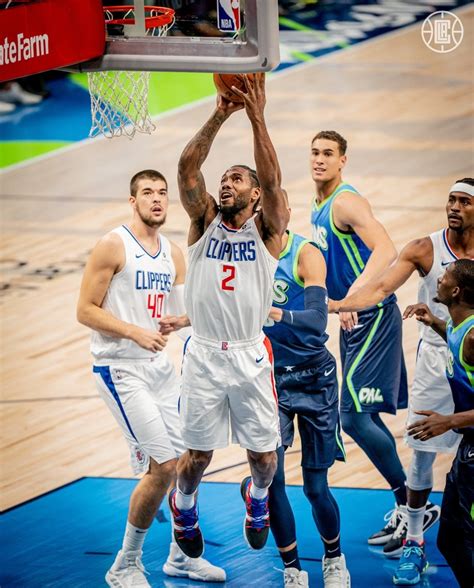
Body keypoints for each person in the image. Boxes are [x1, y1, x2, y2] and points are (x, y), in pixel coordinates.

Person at [76, 169, 225, 587]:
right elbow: (85, 310)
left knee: (191, 463)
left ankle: (181, 556)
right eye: (147, 193)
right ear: (132, 200)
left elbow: (181, 313)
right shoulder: (113, 244)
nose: (157, 199)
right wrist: (133, 330)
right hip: (120, 368)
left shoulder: (173, 254)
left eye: (162, 193)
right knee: (163, 468)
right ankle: (124, 564)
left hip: (161, 372)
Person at [164, 73, 289, 559]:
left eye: (238, 178)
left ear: (256, 196)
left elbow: (275, 179)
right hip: (203, 357)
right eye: (225, 179)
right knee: (196, 456)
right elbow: (186, 170)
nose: (227, 182)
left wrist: (256, 115)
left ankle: (256, 500)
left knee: (263, 457)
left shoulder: (269, 231)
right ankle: (185, 504)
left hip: (249, 353)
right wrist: (221, 112)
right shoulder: (203, 222)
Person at [331, 179, 473, 572]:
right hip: (438, 359)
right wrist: (337, 304)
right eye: (451, 200)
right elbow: (379, 286)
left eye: (464, 201)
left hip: (473, 358)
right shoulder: (425, 248)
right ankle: (414, 539)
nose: (454, 207)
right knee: (422, 452)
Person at [309, 130, 409, 543]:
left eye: (328, 154)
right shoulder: (317, 204)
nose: (319, 159)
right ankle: (409, 506)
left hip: (372, 315)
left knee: (351, 417)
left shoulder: (345, 201)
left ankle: (410, 504)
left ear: (343, 160)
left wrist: (352, 298)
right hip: (353, 318)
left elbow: (387, 249)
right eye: (314, 152)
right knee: (362, 416)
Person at [263, 228, 350, 588]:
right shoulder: (245, 257)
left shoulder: (305, 253)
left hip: (316, 377)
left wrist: (275, 313)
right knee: (270, 480)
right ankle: (293, 570)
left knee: (316, 487)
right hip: (270, 379)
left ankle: (333, 559)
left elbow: (317, 319)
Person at [404, 258, 474, 588]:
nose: (438, 281)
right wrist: (432, 322)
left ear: (456, 290)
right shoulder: (460, 327)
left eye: (444, 278)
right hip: (469, 451)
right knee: (449, 539)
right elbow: (455, 336)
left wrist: (449, 421)